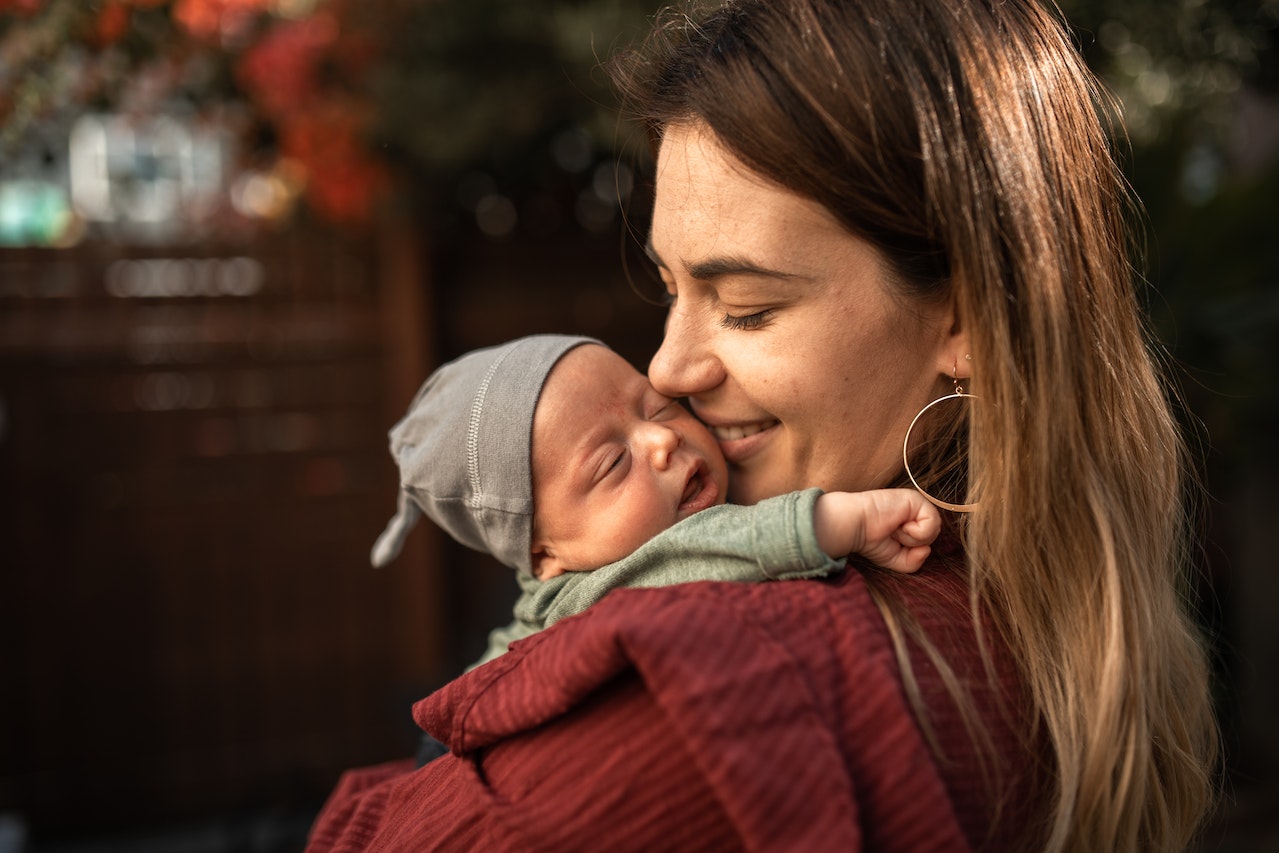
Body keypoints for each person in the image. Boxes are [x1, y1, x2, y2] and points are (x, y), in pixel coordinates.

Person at [307, 1, 1218, 851]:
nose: (666, 369)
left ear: (965, 319)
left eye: (743, 306)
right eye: (672, 289)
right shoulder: (1039, 630)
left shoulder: (716, 696)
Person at [367, 333, 941, 669]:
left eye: (656, 407)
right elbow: (684, 558)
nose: (662, 441)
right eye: (612, 463)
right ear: (544, 557)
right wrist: (840, 521)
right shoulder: (573, 605)